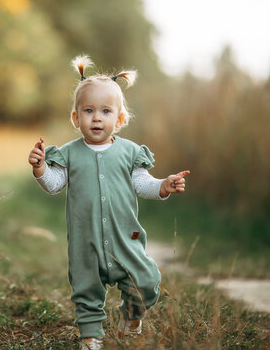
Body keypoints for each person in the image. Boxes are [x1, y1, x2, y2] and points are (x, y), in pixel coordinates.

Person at [28, 55, 189, 350]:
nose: (97, 117)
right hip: (85, 242)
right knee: (86, 289)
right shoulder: (68, 153)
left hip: (124, 239)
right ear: (76, 118)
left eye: (105, 111)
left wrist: (163, 186)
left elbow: (143, 184)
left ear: (119, 119)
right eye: (88, 111)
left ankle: (131, 317)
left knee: (144, 279)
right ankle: (91, 337)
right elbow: (53, 184)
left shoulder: (130, 153)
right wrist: (40, 168)